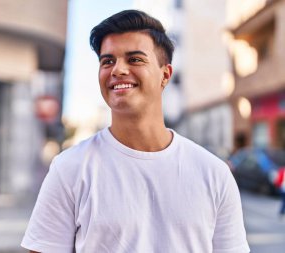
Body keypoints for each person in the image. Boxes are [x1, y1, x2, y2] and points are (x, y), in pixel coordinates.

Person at [21, 9, 250, 253]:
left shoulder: (213, 173)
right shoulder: (69, 168)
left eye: (135, 59)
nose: (117, 70)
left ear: (165, 75)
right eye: (107, 61)